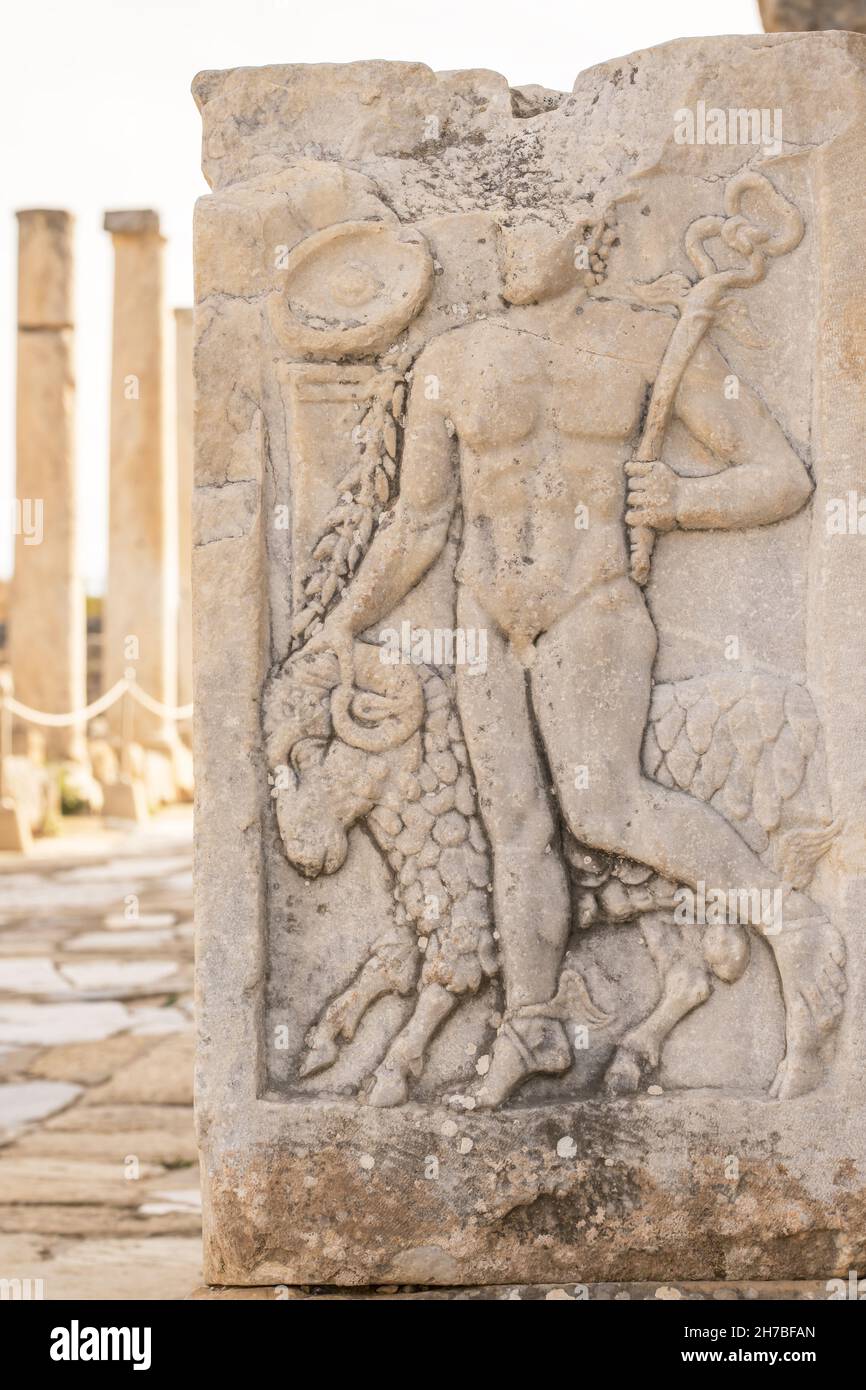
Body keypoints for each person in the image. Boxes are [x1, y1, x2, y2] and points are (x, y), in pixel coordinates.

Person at [307, 212, 845, 1105]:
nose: (509, 242)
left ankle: (793, 928)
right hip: (481, 613)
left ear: (589, 241)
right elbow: (420, 523)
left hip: (591, 606)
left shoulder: (647, 342)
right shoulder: (453, 357)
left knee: (604, 809)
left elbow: (779, 474)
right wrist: (345, 618)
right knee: (514, 827)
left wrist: (682, 498)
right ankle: (534, 1028)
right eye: (502, 226)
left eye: (532, 225)